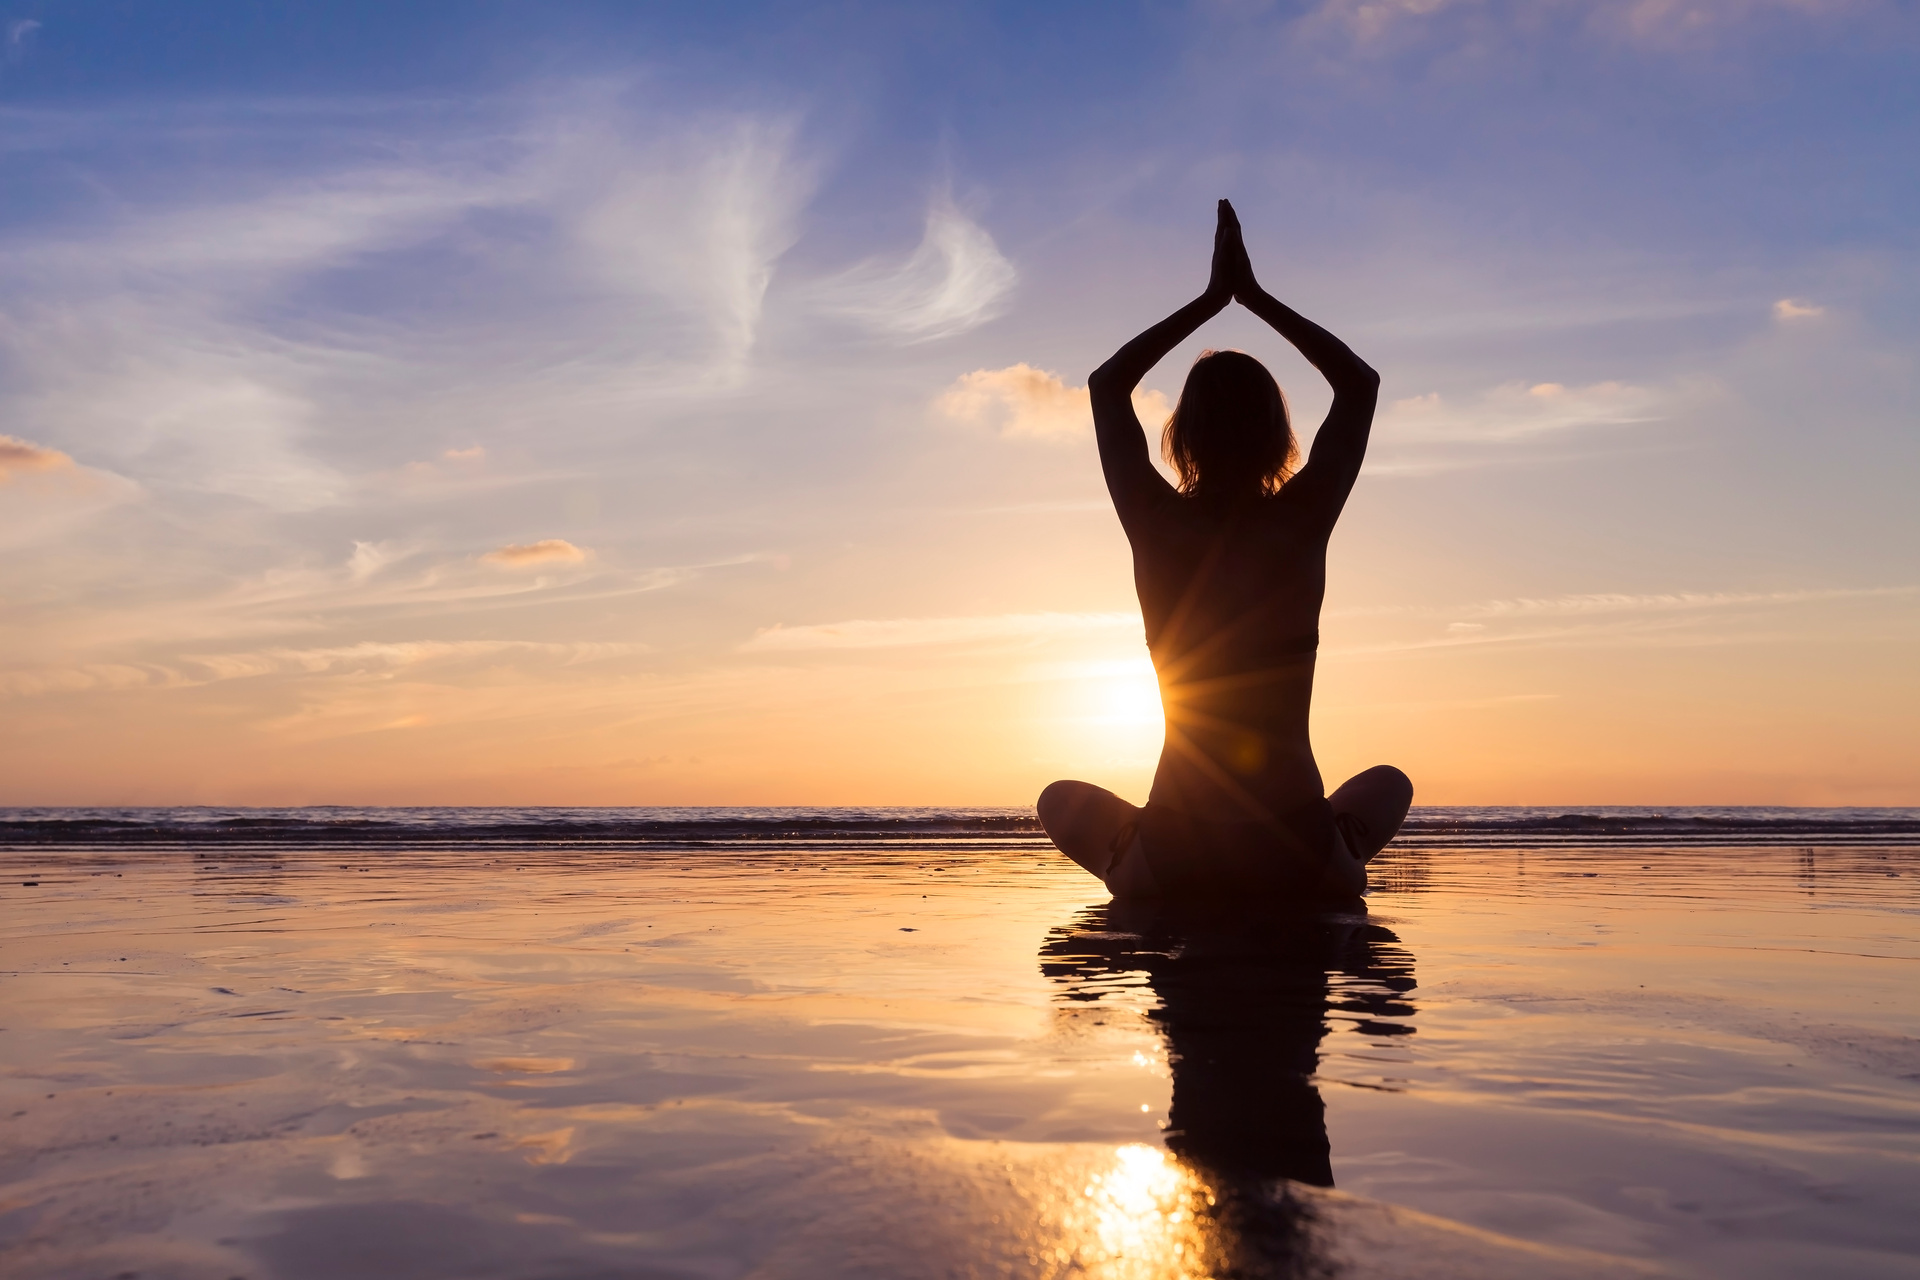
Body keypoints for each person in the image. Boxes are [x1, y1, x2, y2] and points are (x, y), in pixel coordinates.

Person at [1038, 200, 1412, 901]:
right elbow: (1359, 384)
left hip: (1179, 853)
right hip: (1298, 854)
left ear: (1181, 439)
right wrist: (1256, 298)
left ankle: (1132, 855)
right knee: (1389, 784)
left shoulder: (1154, 522)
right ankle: (1343, 851)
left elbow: (1106, 385)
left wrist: (1209, 300)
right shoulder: (1302, 520)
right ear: (1278, 439)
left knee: (1059, 797)